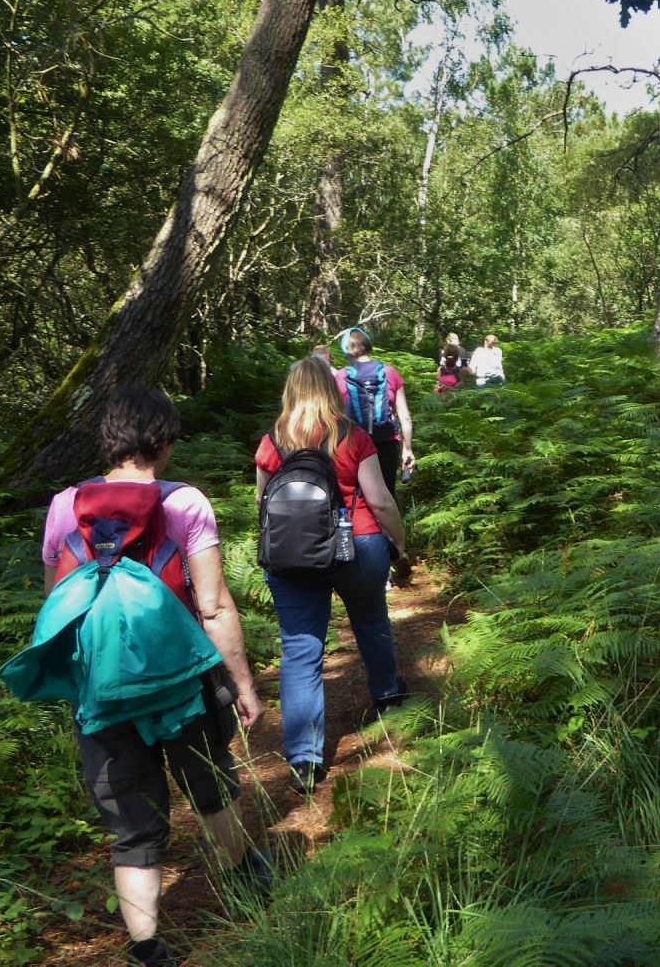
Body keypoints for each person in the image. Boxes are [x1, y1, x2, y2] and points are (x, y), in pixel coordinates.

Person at [38, 387, 268, 967]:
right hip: (181, 684)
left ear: (109, 439)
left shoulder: (66, 504)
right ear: (163, 441)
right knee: (212, 789)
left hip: (102, 691)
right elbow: (213, 606)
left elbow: (57, 605)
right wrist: (242, 684)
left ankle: (147, 948)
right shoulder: (185, 503)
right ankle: (246, 882)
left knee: (134, 830)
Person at [255, 358, 409, 794]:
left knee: (301, 649)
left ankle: (305, 759)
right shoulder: (352, 436)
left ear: (290, 391)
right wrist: (398, 543)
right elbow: (379, 501)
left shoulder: (273, 440)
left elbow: (263, 503)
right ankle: (386, 694)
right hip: (356, 544)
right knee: (371, 620)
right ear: (331, 389)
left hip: (292, 555)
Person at [335, 328, 414, 496]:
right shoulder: (390, 373)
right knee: (386, 495)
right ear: (368, 345)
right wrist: (407, 449)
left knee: (356, 497)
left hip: (352, 445)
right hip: (386, 443)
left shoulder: (341, 376)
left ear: (346, 350)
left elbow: (333, 416)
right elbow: (405, 416)